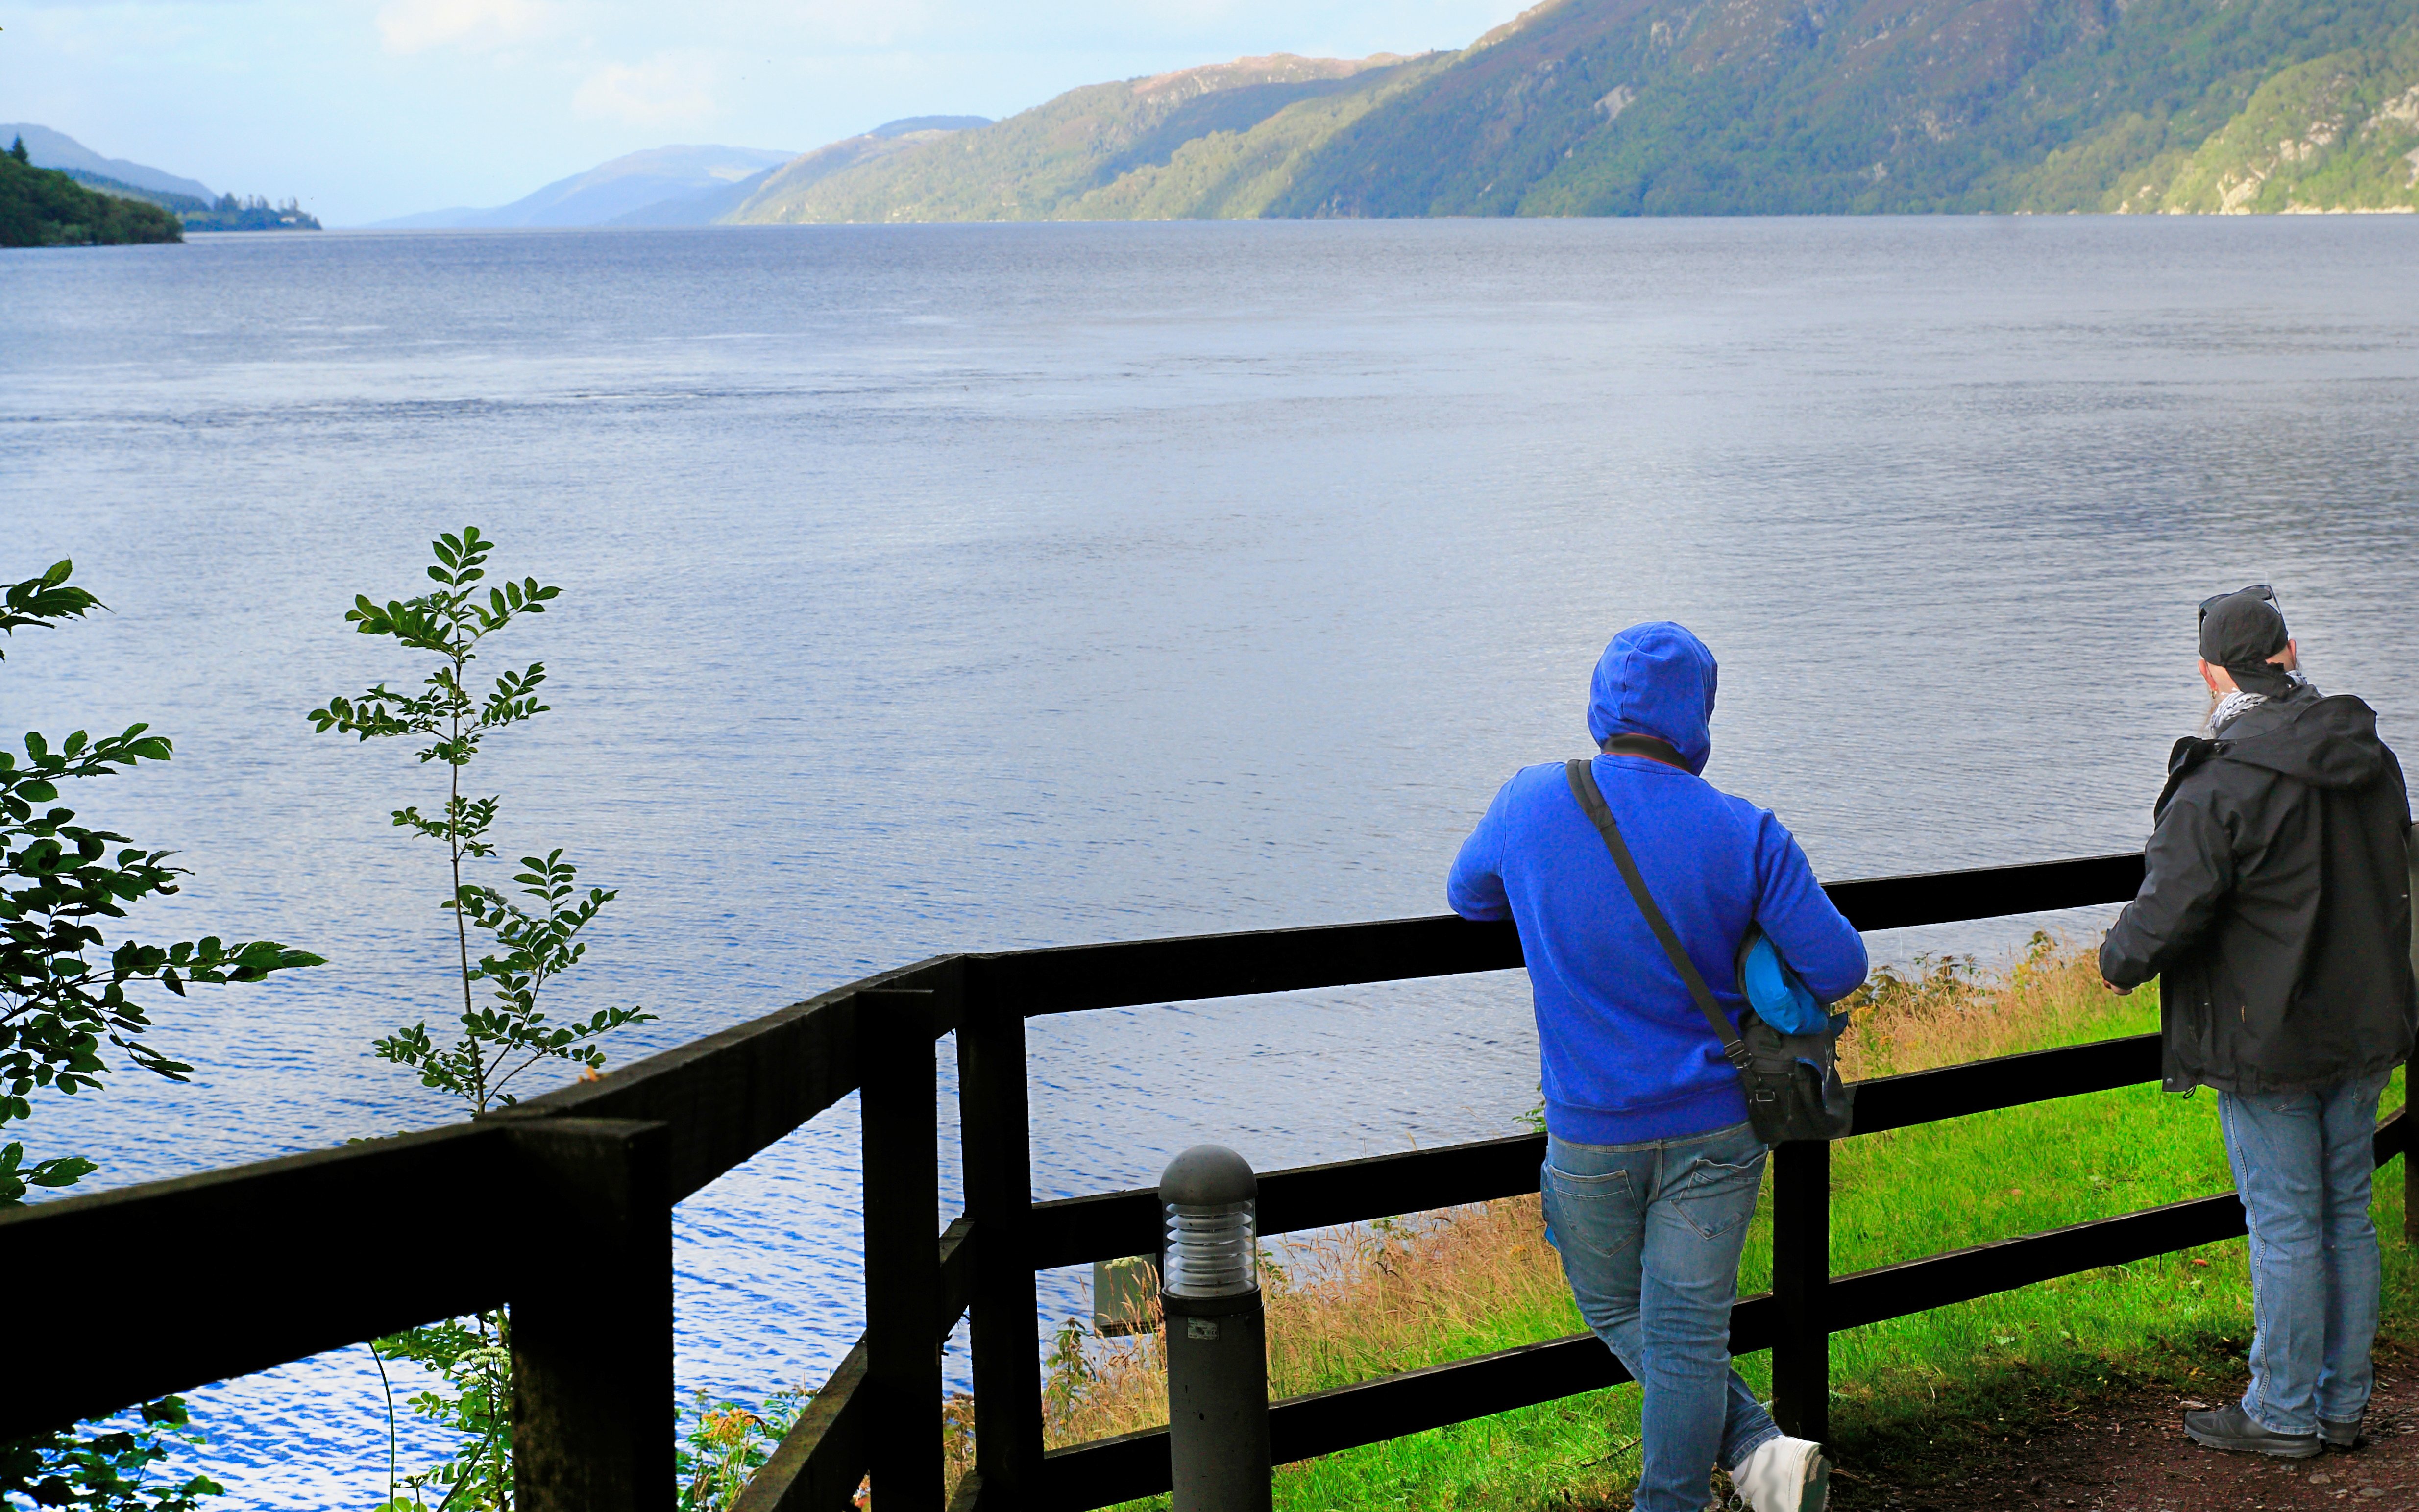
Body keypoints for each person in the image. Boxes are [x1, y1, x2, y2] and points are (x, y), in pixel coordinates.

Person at [1447, 622, 1867, 1512]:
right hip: (1718, 1123)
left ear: (1602, 704)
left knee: (1617, 1311)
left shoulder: (1527, 802)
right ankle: (1755, 1455)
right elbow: (1838, 966)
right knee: (1683, 1332)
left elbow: (1468, 896)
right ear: (1697, 717)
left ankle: (1696, 1489)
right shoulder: (1743, 830)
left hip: (1592, 1130)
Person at [2100, 585, 2416, 1460]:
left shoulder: (2222, 776)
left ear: (2210, 672)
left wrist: (2113, 962)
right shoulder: (2367, 752)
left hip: (2263, 1035)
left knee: (2284, 1222)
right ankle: (2339, 1404)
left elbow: (2162, 914)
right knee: (2346, 1212)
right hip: (2361, 1025)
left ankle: (2282, 1411)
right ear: (2287, 651)